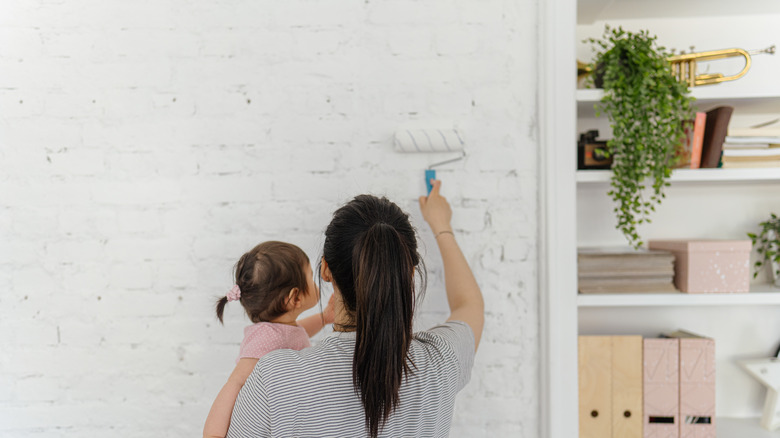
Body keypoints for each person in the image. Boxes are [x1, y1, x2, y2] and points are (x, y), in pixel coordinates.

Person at [227, 180, 484, 437]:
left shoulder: (274, 377)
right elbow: (469, 304)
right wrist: (442, 226)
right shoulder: (441, 359)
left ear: (326, 269)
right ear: (409, 274)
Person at [203, 241, 335, 438]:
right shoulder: (266, 338)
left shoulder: (281, 330)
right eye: (310, 277)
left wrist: (325, 318)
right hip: (261, 421)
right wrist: (213, 434)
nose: (317, 283)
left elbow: (299, 332)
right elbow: (236, 382)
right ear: (294, 298)